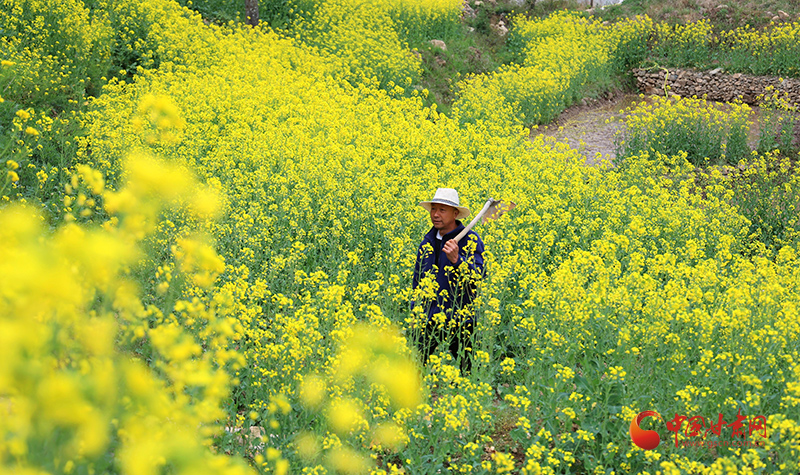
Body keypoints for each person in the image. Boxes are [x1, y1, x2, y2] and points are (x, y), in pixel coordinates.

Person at [411, 188, 485, 374]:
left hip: (460, 318)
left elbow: (477, 278)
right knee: (415, 370)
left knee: (469, 373)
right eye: (433, 209)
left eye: (442, 210)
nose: (435, 215)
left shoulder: (471, 240)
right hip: (428, 316)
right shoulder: (427, 242)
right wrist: (415, 308)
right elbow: (417, 280)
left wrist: (457, 260)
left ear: (456, 213)